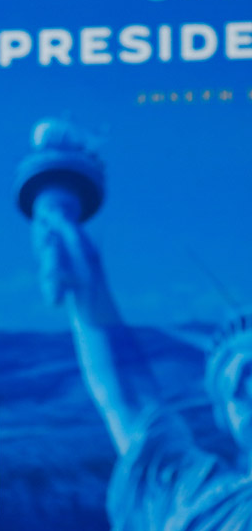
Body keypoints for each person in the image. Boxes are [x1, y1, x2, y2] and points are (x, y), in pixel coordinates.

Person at [31, 186, 252, 530]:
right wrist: (87, 283)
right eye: (240, 385)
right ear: (223, 416)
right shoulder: (191, 497)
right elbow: (128, 399)